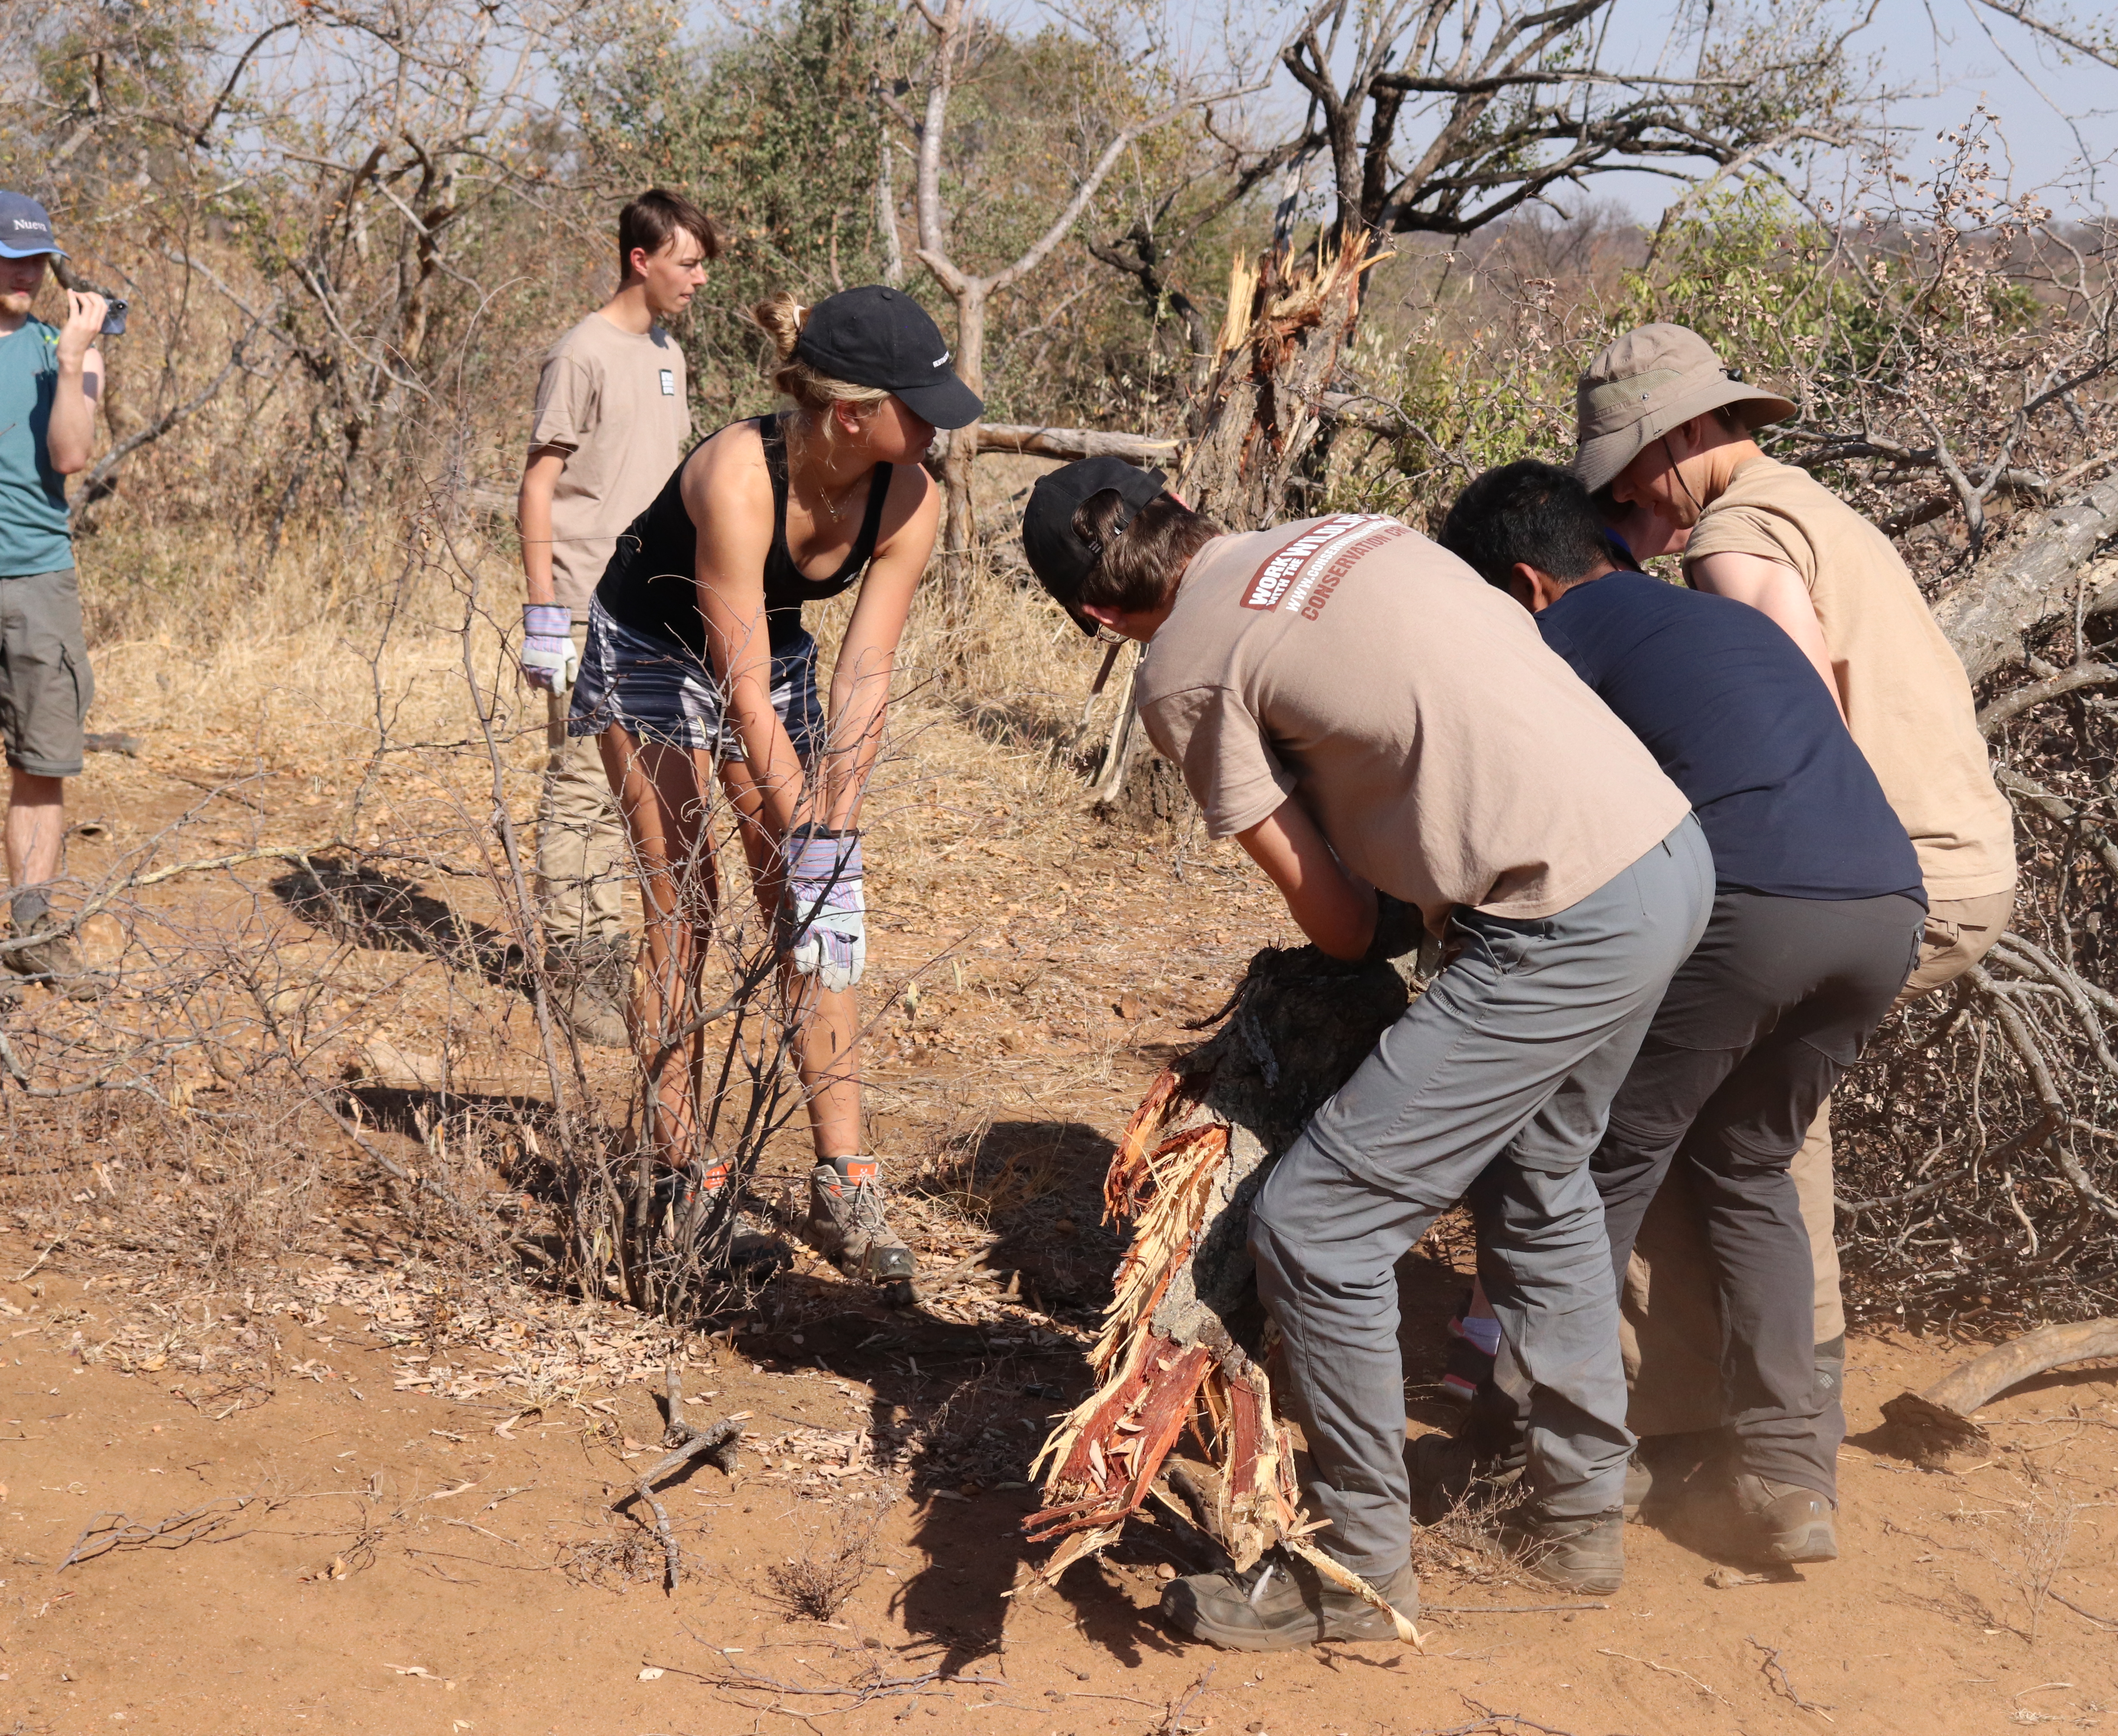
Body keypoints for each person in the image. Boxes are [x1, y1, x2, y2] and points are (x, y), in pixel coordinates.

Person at [1018, 457, 1711, 1650]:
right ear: (1186, 506)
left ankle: (1352, 1573)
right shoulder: (1348, 529)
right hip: (1666, 859)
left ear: (1092, 615)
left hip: (1553, 919)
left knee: (1319, 1227)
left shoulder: (1181, 670)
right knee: (1539, 1185)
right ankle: (1583, 1511)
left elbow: (1339, 926)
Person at [1573, 322, 2019, 1552]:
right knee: (1744, 1128)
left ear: (1678, 442)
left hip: (1874, 866)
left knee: (1720, 1130)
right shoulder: (1811, 505)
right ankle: (1760, 1454)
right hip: (1948, 859)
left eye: (1620, 477)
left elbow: (1792, 736)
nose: (1618, 507)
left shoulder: (1735, 536)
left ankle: (1698, 1445)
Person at [1433, 460, 1924, 1565]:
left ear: (1528, 581)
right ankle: (1793, 1475)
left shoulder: (1561, 641)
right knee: (1748, 1166)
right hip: (1884, 905)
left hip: (1753, 906)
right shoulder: (1715, 616)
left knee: (1591, 1164)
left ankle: (1544, 1454)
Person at [570, 285, 977, 1281]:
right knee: (687, 904)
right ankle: (682, 1184)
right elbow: (739, 690)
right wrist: (814, 842)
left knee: (808, 916)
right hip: (653, 651)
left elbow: (865, 671)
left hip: (772, 653)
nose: (936, 425)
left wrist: (831, 841)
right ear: (851, 414)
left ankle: (844, 1180)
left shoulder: (911, 494)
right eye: (916, 407)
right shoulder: (736, 478)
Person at [517, 188, 719, 1046]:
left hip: (659, 606)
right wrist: (543, 614)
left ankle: (641, 954)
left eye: (703, 263)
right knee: (581, 788)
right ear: (641, 259)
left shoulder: (667, 350)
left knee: (650, 789)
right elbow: (538, 483)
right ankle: (580, 971)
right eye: (688, 262)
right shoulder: (582, 353)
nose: (699, 279)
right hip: (582, 603)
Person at [0, 191, 107, 999]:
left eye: (34, 257)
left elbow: (71, 454)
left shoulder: (63, 349)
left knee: (41, 764)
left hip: (38, 576)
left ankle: (33, 934)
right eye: (9, 256)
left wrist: (72, 359)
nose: (25, 272)